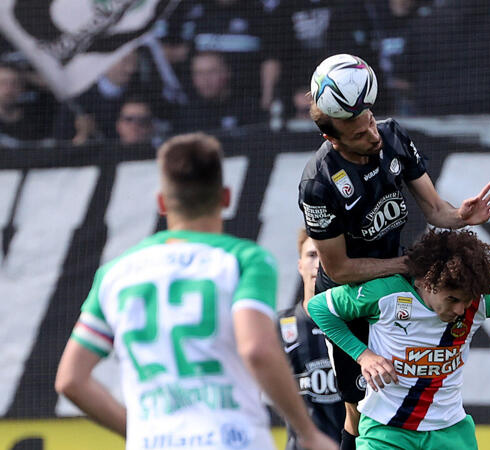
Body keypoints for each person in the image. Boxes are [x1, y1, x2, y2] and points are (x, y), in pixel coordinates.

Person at [55, 133, 336, 450]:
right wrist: (307, 433)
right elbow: (256, 349)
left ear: (162, 203)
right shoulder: (244, 260)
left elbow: (70, 380)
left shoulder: (115, 273)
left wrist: (139, 433)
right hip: (232, 441)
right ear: (226, 197)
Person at [298, 55, 490, 450]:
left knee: (409, 389)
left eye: (371, 121)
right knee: (359, 408)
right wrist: (406, 265)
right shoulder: (318, 184)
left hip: (397, 281)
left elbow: (436, 210)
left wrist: (461, 217)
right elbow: (338, 269)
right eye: (359, 134)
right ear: (332, 137)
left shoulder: (392, 136)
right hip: (351, 295)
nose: (372, 135)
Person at [308, 228, 490, 450]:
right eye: (452, 299)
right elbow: (318, 307)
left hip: (449, 430)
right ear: (426, 280)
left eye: (466, 301)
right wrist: (363, 355)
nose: (460, 310)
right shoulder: (386, 292)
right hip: (386, 430)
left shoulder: (477, 301)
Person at [277, 229, 345, 449]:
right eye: (312, 255)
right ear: (300, 265)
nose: (319, 264)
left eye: (325, 255)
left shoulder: (363, 324)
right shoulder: (278, 326)